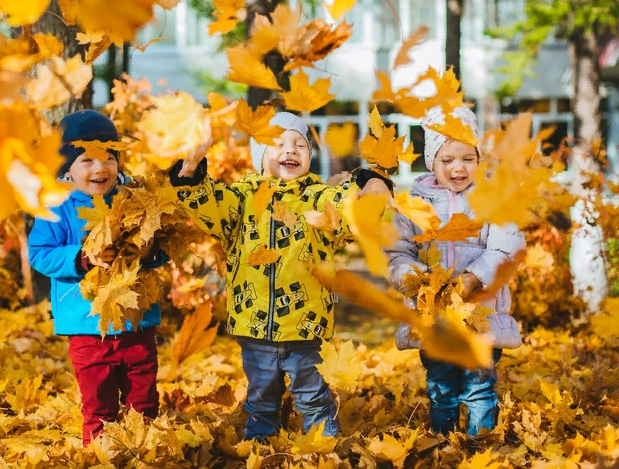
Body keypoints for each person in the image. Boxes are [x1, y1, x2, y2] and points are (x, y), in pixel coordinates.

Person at [168, 111, 392, 440]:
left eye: (299, 144)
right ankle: (259, 451)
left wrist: (372, 182)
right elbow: (205, 202)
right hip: (254, 328)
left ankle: (323, 453)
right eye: (279, 143)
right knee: (260, 401)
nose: (290, 149)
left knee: (314, 399)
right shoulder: (241, 199)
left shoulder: (318, 197)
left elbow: (356, 209)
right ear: (261, 157)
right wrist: (190, 170)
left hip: (306, 328)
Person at [28, 110, 167, 446]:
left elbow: (161, 245)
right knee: (98, 403)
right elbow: (40, 253)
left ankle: (143, 449)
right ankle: (100, 450)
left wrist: (148, 251)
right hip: (86, 324)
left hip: (137, 321)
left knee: (144, 399)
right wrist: (82, 257)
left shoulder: (134, 199)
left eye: (108, 158)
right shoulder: (56, 205)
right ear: (68, 168)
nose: (99, 168)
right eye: (86, 160)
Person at [386, 106, 525, 436]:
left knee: (479, 390)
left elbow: (506, 247)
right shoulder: (414, 204)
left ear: (479, 159)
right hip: (435, 319)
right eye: (447, 160)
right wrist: (420, 280)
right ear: (431, 160)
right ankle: (442, 446)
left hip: (481, 316)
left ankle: (479, 449)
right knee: (442, 390)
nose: (458, 168)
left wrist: (474, 276)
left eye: (468, 158)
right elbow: (396, 252)